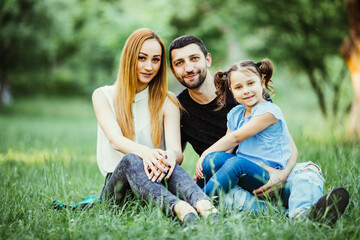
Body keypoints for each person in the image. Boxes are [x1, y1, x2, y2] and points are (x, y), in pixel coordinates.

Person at [194, 59, 349, 224]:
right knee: (212, 161)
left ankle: (303, 214)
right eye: (238, 87)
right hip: (250, 176)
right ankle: (195, 195)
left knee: (235, 164)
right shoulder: (235, 114)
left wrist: (204, 152)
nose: (245, 91)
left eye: (250, 83)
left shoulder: (268, 111)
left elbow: (236, 138)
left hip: (269, 174)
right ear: (231, 90)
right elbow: (228, 147)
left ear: (262, 82)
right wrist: (204, 166)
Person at [92, 28, 217, 223]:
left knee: (167, 159)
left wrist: (166, 156)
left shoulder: (168, 101)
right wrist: (148, 153)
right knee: (132, 159)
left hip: (157, 182)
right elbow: (115, 140)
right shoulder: (103, 96)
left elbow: (177, 152)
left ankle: (204, 206)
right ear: (129, 58)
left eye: (156, 60)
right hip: (118, 192)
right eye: (142, 58)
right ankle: (180, 208)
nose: (149, 66)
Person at [168, 35, 297, 199]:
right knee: (227, 192)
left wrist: (283, 174)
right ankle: (198, 202)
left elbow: (285, 139)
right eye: (179, 63)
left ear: (207, 60)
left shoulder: (243, 91)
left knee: (307, 173)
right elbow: (174, 154)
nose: (188, 68)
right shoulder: (179, 108)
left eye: (194, 58)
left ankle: (198, 203)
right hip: (221, 181)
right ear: (173, 70)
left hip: (260, 171)